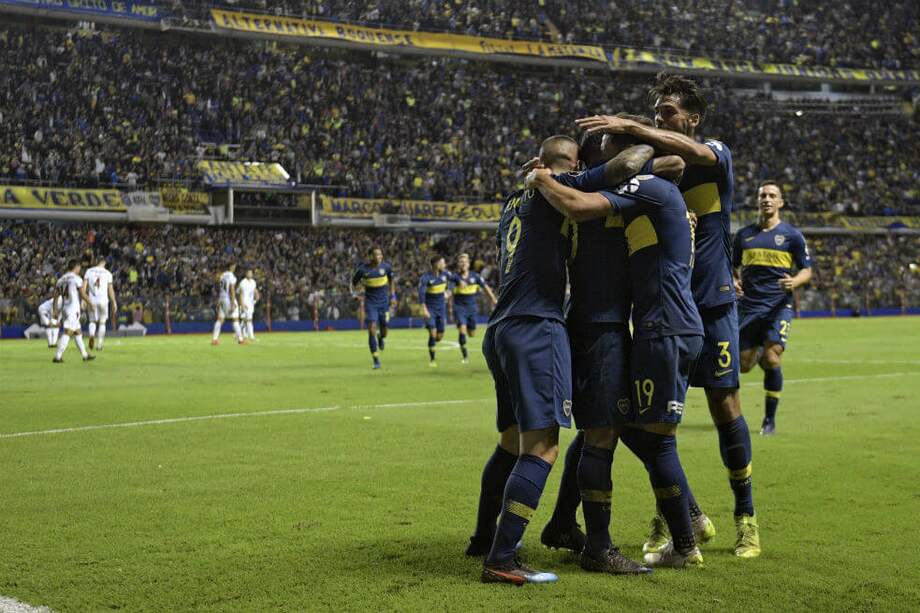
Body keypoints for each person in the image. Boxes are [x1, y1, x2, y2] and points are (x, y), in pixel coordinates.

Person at [576, 73, 759, 558]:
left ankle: (746, 517)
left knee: (725, 409)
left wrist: (631, 126)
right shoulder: (658, 171)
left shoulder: (714, 154)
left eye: (669, 111)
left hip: (711, 301)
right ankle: (679, 517)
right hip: (660, 310)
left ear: (692, 118)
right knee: (648, 423)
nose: (659, 118)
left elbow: (687, 153)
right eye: (655, 111)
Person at [529, 115, 705, 569]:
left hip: (620, 325)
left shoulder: (621, 190)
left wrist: (640, 142)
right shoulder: (581, 187)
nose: (625, 149)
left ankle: (567, 522)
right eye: (613, 143)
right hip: (598, 324)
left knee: (604, 430)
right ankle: (602, 546)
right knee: (606, 434)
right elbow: (641, 162)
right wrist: (637, 146)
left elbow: (670, 164)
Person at [733, 181, 812, 436]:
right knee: (744, 366)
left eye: (772, 196)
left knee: (772, 356)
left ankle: (769, 421)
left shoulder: (792, 236)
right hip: (749, 308)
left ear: (780, 203)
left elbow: (807, 270)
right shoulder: (743, 236)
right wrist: (734, 280)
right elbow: (733, 267)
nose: (767, 199)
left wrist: (794, 281)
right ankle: (760, 355)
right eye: (763, 195)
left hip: (779, 306)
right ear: (758, 201)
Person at [352, 247, 396, 369]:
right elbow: (353, 283)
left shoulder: (386, 267)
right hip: (370, 304)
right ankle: (376, 359)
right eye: (376, 254)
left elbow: (392, 281)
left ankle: (381, 337)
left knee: (384, 331)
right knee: (371, 328)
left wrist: (393, 296)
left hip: (384, 303)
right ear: (370, 256)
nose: (379, 257)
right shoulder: (362, 270)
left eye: (380, 254)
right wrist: (355, 294)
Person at [448, 253, 496, 364]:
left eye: (465, 262)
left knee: (472, 333)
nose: (463, 264)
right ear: (458, 264)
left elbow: (486, 288)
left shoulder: (475, 276)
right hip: (459, 308)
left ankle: (467, 330)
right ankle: (465, 356)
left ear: (469, 264)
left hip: (472, 308)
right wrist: (449, 303)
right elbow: (450, 291)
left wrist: (493, 300)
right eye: (461, 262)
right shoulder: (455, 278)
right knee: (462, 330)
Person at [52, 259, 94, 363]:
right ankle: (57, 356)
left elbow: (55, 296)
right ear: (76, 267)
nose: (80, 269)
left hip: (65, 308)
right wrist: (91, 304)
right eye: (79, 267)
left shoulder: (61, 279)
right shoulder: (76, 279)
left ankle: (85, 355)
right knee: (68, 332)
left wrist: (55, 310)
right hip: (73, 310)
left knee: (77, 332)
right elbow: (83, 294)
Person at [418, 255, 451, 367]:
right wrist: (424, 309)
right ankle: (432, 360)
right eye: (443, 262)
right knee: (433, 333)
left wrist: (449, 292)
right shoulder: (425, 278)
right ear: (436, 264)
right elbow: (421, 293)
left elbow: (453, 282)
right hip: (430, 309)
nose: (444, 265)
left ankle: (433, 341)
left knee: (439, 336)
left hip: (441, 309)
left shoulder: (446, 274)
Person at [83, 257, 117, 351]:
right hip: (103, 301)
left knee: (92, 321)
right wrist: (114, 301)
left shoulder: (89, 271)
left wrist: (83, 300)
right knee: (102, 322)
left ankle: (91, 335)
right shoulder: (108, 273)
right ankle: (99, 344)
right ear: (103, 262)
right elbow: (110, 290)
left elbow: (84, 287)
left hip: (91, 301)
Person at [212, 263, 244, 345]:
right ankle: (241, 339)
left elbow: (221, 288)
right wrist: (233, 302)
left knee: (220, 319)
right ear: (231, 267)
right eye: (234, 266)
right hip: (228, 299)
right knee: (235, 319)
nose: (234, 268)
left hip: (222, 298)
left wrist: (219, 301)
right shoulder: (231, 275)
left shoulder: (222, 275)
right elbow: (232, 288)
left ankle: (214, 339)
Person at [237, 269, 260, 341]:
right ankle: (251, 336)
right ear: (246, 274)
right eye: (249, 273)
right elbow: (239, 294)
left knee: (245, 320)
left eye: (251, 273)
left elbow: (254, 289)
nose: (250, 274)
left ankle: (241, 335)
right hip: (244, 303)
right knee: (248, 320)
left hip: (251, 303)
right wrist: (242, 304)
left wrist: (257, 295)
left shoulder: (253, 282)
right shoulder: (243, 282)